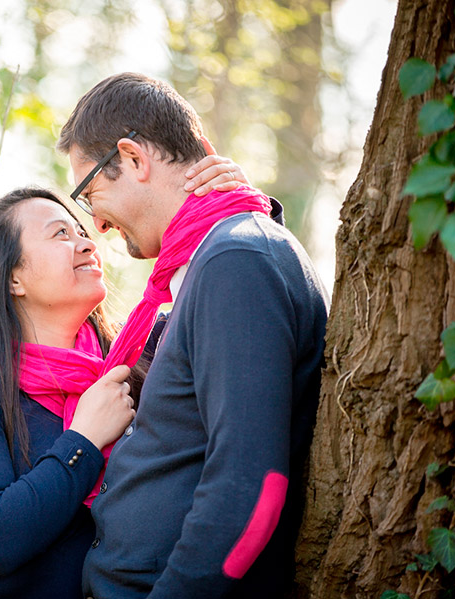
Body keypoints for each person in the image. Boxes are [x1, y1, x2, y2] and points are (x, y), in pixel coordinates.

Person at [0, 160, 247, 598]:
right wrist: (83, 441)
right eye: (60, 234)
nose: (87, 244)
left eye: (81, 232)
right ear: (12, 277)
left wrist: (242, 211)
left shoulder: (131, 363)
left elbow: (234, 318)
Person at [56, 72, 329, 598]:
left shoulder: (237, 259)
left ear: (134, 159)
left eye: (91, 193)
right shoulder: (207, 264)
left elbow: (251, 489)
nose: (99, 225)